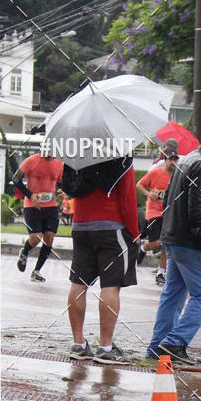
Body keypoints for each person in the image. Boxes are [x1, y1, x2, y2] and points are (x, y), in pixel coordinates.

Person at [146, 122, 201, 363]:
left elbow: (171, 203)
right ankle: (174, 342)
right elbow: (198, 213)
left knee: (172, 295)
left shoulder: (186, 161)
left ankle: (155, 348)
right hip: (190, 242)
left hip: (172, 237)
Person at [67, 155, 139, 362]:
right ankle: (106, 348)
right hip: (110, 225)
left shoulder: (76, 151)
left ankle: (78, 344)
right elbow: (127, 198)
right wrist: (134, 232)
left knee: (78, 283)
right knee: (111, 285)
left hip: (80, 224)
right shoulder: (120, 153)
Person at [13, 151, 63, 282]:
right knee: (36, 238)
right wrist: (30, 195)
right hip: (32, 205)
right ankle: (24, 251)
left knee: (49, 239)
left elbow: (64, 182)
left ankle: (36, 271)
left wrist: (64, 190)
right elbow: (15, 179)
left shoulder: (59, 164)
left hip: (51, 206)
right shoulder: (30, 161)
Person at [137, 148, 179, 285]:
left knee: (165, 244)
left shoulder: (177, 177)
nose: (173, 162)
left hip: (169, 214)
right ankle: (143, 248)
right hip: (154, 213)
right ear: (165, 161)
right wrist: (149, 195)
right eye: (170, 159)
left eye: (175, 160)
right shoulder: (155, 172)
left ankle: (160, 273)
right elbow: (139, 185)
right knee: (157, 243)